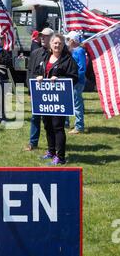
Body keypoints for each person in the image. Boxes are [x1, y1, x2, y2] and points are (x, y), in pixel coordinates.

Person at [33, 33, 78, 165]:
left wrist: (59, 79)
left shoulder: (68, 60)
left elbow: (74, 77)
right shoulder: (46, 57)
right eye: (55, 43)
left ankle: (60, 156)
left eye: (60, 43)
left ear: (63, 45)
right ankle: (51, 151)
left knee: (57, 126)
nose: (57, 45)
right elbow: (37, 72)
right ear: (50, 45)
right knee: (47, 125)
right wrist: (39, 77)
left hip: (60, 99)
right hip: (45, 99)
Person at [25, 27, 54, 151]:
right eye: (41, 35)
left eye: (46, 36)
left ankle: (52, 145)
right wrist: (31, 90)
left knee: (51, 120)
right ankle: (33, 143)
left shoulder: (56, 53)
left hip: (52, 92)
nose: (42, 37)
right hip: (37, 91)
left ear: (52, 38)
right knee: (35, 116)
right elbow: (30, 72)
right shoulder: (35, 53)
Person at [65, 31, 87, 134]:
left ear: (73, 41)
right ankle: (66, 123)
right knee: (68, 101)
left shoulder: (79, 51)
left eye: (68, 39)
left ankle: (79, 126)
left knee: (77, 104)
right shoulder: (73, 50)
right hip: (72, 80)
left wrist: (75, 79)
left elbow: (82, 68)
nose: (66, 41)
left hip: (77, 81)